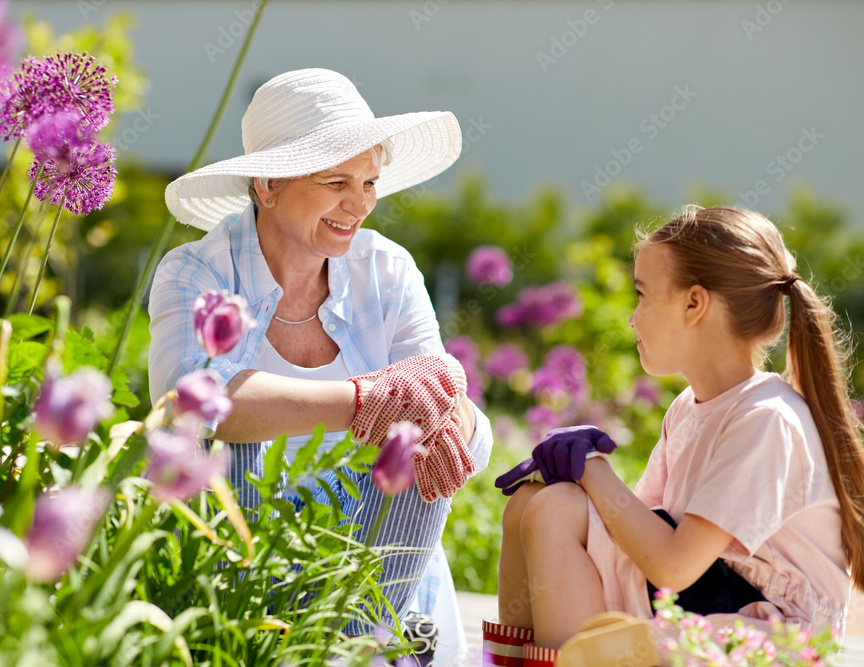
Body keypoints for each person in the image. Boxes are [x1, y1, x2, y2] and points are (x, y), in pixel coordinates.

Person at [148, 68, 492, 658]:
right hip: (244, 583)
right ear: (267, 185)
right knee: (241, 434)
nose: (358, 204)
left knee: (419, 431)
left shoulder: (387, 269)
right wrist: (368, 402)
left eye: (369, 182)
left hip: (388, 587)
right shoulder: (195, 270)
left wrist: (446, 417)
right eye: (336, 180)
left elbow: (446, 403)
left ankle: (358, 642)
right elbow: (195, 402)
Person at [485, 206, 864, 664]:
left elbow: (672, 565)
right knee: (531, 502)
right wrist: (564, 475)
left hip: (768, 637)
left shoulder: (767, 420)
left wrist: (591, 470)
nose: (632, 318)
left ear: (694, 304)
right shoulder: (689, 407)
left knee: (557, 511)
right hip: (711, 598)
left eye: (642, 295)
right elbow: (637, 529)